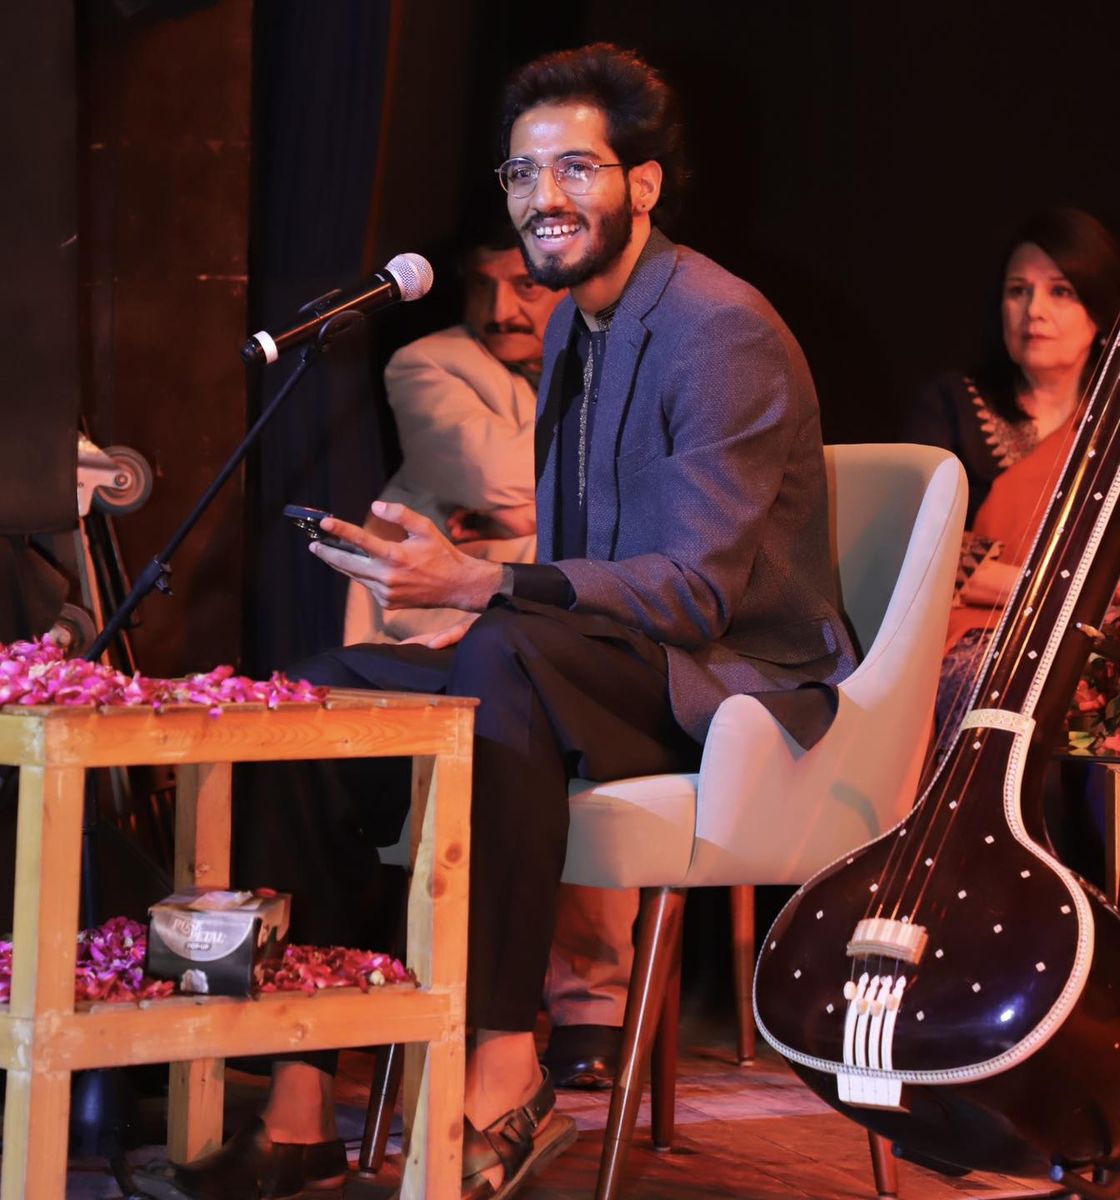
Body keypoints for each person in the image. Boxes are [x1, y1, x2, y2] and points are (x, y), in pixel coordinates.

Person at [136, 42, 857, 1200]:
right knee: (312, 697)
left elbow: (695, 594)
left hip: (728, 683)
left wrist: (484, 591)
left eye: (575, 168)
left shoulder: (718, 328)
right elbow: (573, 571)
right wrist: (464, 607)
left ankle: (507, 1071)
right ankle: (303, 1102)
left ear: (643, 184)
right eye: (522, 174)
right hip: (585, 659)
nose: (543, 197)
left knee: (505, 656)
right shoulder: (574, 324)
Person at [343, 225, 638, 1088]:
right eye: (484, 285)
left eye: (525, 286)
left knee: (579, 732)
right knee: (527, 711)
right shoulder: (427, 362)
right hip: (435, 620)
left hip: (558, 614)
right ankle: (485, 1011)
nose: (502, 307)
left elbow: (623, 500)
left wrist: (517, 530)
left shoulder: (613, 362)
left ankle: (589, 1006)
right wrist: (551, 517)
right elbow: (495, 477)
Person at [907, 207, 1120, 735]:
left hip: (1100, 641)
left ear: (1098, 311)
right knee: (1015, 693)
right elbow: (921, 549)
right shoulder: (951, 407)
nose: (1034, 310)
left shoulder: (1110, 432)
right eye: (1018, 291)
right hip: (976, 639)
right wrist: (1067, 595)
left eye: (1060, 292)